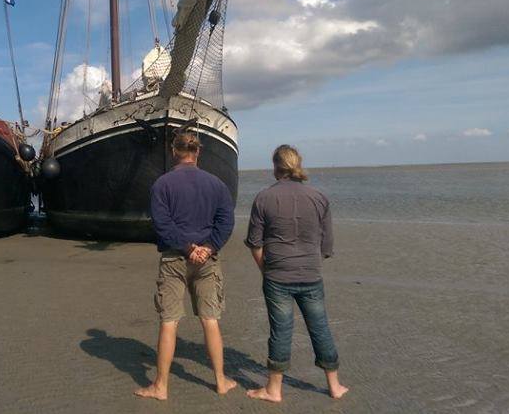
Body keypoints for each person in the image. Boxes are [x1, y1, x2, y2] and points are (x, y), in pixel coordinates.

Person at [134, 131, 237, 401]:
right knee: (210, 320)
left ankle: (161, 385)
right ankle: (220, 380)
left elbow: (162, 224)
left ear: (173, 151)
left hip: (174, 258)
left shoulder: (162, 184)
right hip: (206, 259)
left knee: (169, 322)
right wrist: (208, 248)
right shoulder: (217, 184)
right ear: (197, 152)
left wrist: (188, 247)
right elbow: (225, 222)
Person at [245, 145, 349, 403]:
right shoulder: (319, 197)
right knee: (320, 327)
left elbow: (255, 243)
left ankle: (274, 389)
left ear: (275, 167)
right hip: (310, 274)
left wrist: (266, 270)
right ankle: (334, 385)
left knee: (281, 331)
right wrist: (309, 263)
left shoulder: (263, 198)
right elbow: (326, 246)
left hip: (278, 275)